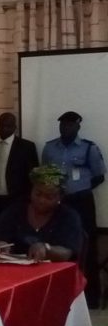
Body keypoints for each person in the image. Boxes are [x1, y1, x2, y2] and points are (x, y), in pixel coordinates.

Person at [42, 111, 106, 307]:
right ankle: (58, 296)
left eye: (69, 125)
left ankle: (90, 298)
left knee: (87, 247)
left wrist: (79, 189)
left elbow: (99, 176)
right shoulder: (50, 148)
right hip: (57, 203)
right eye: (62, 124)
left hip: (81, 203)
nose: (65, 128)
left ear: (78, 126)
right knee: (56, 245)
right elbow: (44, 174)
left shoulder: (89, 148)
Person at [0, 165, 82, 262]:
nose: (41, 200)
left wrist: (46, 249)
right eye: (38, 194)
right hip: (16, 272)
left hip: (53, 273)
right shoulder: (15, 211)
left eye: (49, 197)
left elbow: (66, 253)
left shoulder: (68, 217)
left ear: (60, 197)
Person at [0, 112, 38, 227]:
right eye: (1, 125)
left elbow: (33, 178)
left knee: (16, 235)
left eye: (8, 126)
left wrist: (31, 203)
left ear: (14, 128)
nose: (4, 129)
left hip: (17, 201)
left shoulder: (27, 147)